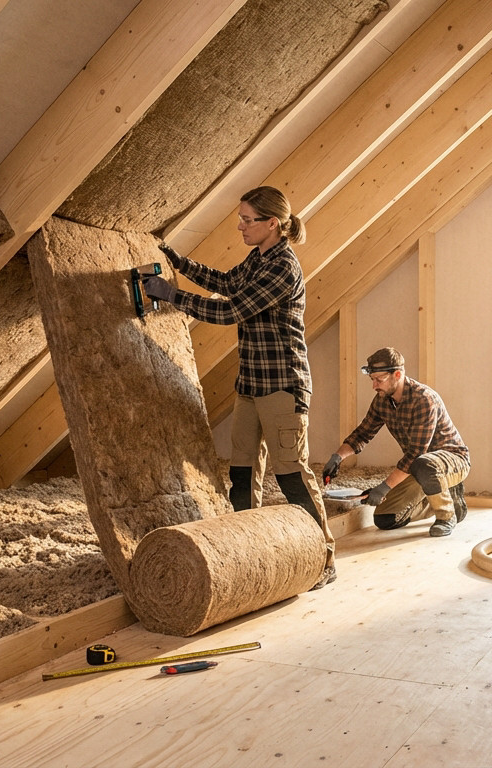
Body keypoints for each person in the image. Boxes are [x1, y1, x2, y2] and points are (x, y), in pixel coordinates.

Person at [138, 186, 335, 588]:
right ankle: (250, 553)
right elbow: (226, 283)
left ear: (272, 224)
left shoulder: (284, 266)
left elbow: (232, 310)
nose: (241, 227)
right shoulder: (259, 257)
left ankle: (324, 559)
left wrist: (173, 296)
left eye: (248, 220)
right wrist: (177, 261)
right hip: (250, 384)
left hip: (283, 386)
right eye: (240, 219)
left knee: (291, 474)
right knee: (242, 473)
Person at [322, 347, 470, 537]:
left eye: (379, 380)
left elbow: (416, 453)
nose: (374, 386)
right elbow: (363, 433)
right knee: (386, 518)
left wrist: (383, 487)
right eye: (372, 380)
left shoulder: (424, 399)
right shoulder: (382, 400)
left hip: (453, 461)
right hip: (420, 467)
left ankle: (446, 515)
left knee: (423, 463)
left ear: (397, 374)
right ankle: (442, 499)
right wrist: (337, 457)